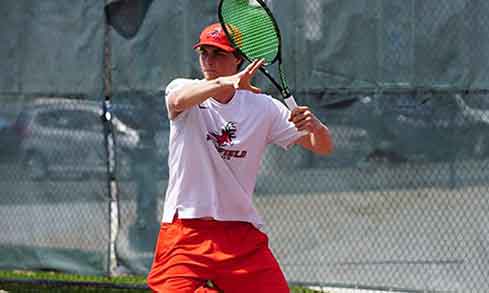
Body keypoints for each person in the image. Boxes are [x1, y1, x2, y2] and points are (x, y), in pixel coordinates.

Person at [147, 22, 333, 293]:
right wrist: (226, 82)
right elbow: (177, 101)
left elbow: (322, 147)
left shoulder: (265, 108)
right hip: (186, 230)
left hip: (239, 235)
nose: (209, 61)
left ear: (238, 59)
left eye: (219, 54)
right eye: (204, 53)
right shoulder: (185, 89)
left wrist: (317, 127)